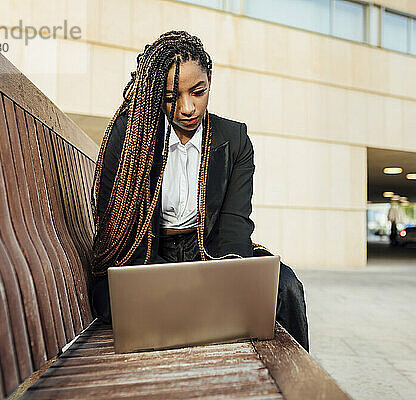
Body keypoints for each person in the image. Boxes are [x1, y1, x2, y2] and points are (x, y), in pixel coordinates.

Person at [89, 31, 309, 351]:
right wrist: (180, 282)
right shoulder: (129, 135)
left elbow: (234, 228)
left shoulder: (234, 139)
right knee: (130, 300)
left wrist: (222, 277)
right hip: (146, 255)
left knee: (286, 287)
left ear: (209, 82)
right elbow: (118, 232)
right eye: (170, 96)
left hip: (209, 251)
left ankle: (293, 383)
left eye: (198, 92)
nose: (187, 107)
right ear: (153, 94)